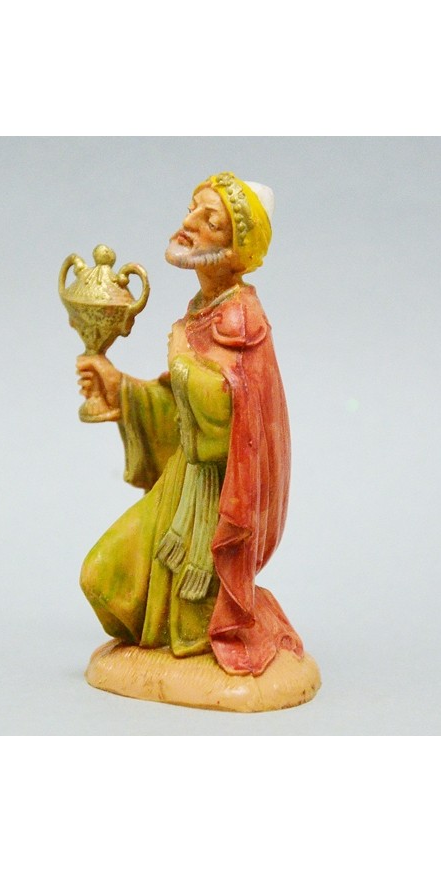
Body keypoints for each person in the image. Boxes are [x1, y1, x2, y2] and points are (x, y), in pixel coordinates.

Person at [76, 172, 304, 676]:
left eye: (211, 221)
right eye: (192, 209)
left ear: (237, 250)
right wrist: (122, 389)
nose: (189, 223)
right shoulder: (204, 308)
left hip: (216, 497)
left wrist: (181, 360)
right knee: (104, 577)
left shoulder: (241, 320)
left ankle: (204, 633)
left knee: (126, 583)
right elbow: (181, 410)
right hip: (182, 483)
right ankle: (166, 633)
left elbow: (229, 415)